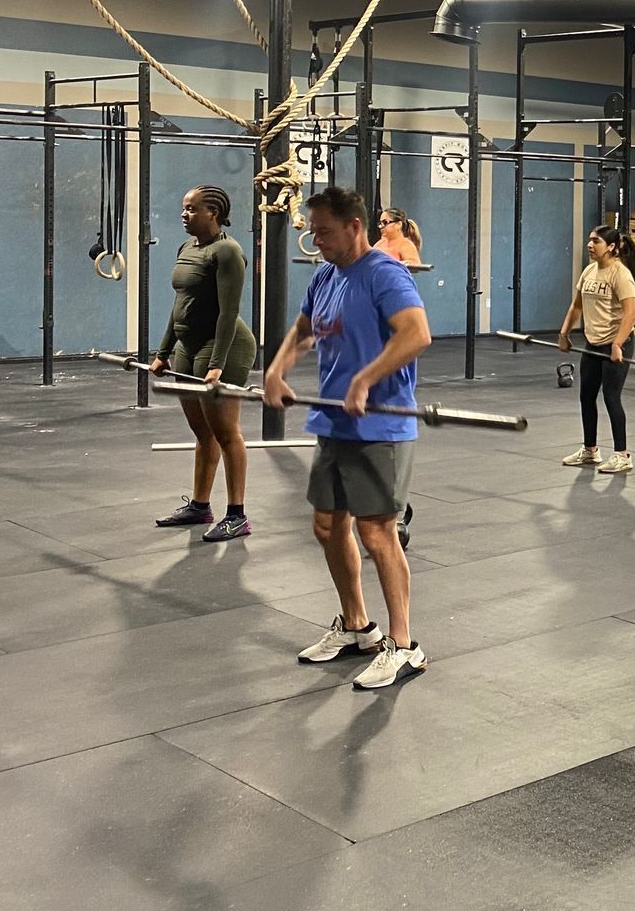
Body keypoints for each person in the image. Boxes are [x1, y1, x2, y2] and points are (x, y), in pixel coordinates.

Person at [262, 186, 430, 692]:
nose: (317, 242)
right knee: (327, 525)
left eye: (325, 232)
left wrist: (365, 378)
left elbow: (416, 333)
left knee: (377, 533)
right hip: (334, 423)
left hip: (381, 425)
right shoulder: (325, 275)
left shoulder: (384, 273)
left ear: (355, 227)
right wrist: (277, 368)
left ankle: (404, 647)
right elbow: (304, 328)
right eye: (313, 233)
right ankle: (358, 627)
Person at [149, 184, 257, 542]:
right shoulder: (186, 248)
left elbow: (229, 313)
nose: (184, 214)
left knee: (226, 433)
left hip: (223, 346)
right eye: (184, 208)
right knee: (202, 432)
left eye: (192, 209)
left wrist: (217, 363)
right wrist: (163, 352)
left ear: (213, 211)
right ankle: (199, 506)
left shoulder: (228, 251)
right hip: (188, 346)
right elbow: (179, 307)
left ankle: (237, 515)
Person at [556, 225, 635, 472]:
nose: (590, 245)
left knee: (611, 396)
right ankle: (590, 450)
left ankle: (622, 455)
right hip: (592, 343)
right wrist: (564, 333)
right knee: (586, 396)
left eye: (596, 241)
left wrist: (617, 343)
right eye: (590, 240)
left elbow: (630, 314)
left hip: (616, 344)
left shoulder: (620, 274)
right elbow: (576, 307)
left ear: (612, 247)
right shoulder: (589, 272)